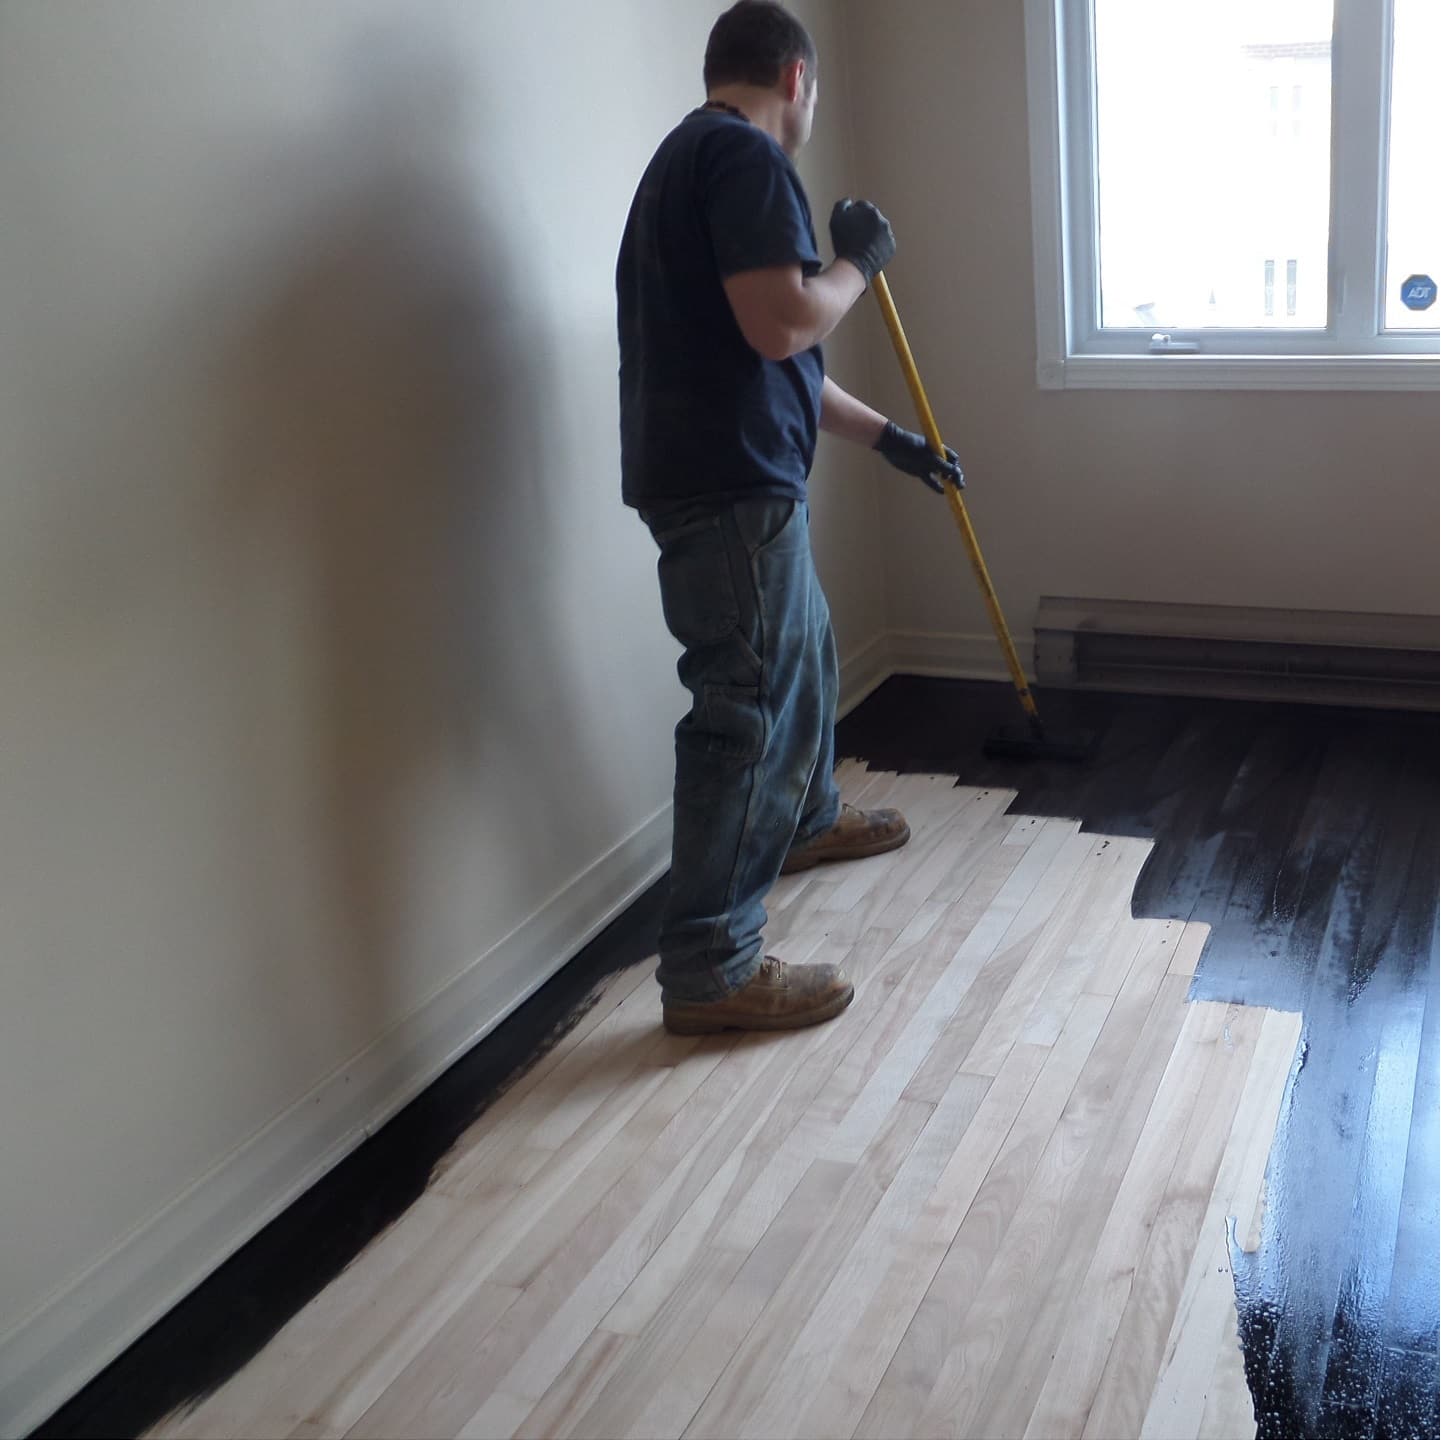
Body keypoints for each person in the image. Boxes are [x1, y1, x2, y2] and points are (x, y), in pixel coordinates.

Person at [617, 0, 963, 1036]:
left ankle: (805, 819)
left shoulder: (687, 163)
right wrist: (859, 262)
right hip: (726, 485)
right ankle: (711, 967)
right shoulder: (744, 159)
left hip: (729, 474)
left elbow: (777, 362)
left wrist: (891, 440)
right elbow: (786, 323)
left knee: (799, 652)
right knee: (744, 709)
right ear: (797, 80)